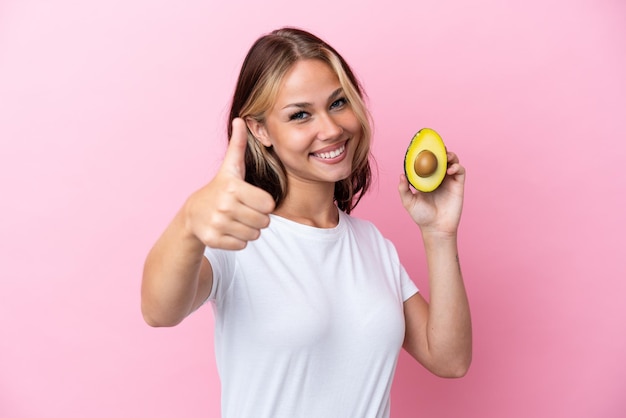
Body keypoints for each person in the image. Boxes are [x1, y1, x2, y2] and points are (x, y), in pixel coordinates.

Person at [141, 27, 471, 418]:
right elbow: (159, 311)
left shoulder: (372, 244)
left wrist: (438, 233)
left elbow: (449, 359)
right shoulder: (237, 236)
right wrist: (188, 222)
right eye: (300, 115)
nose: (331, 129)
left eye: (338, 103)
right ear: (260, 130)